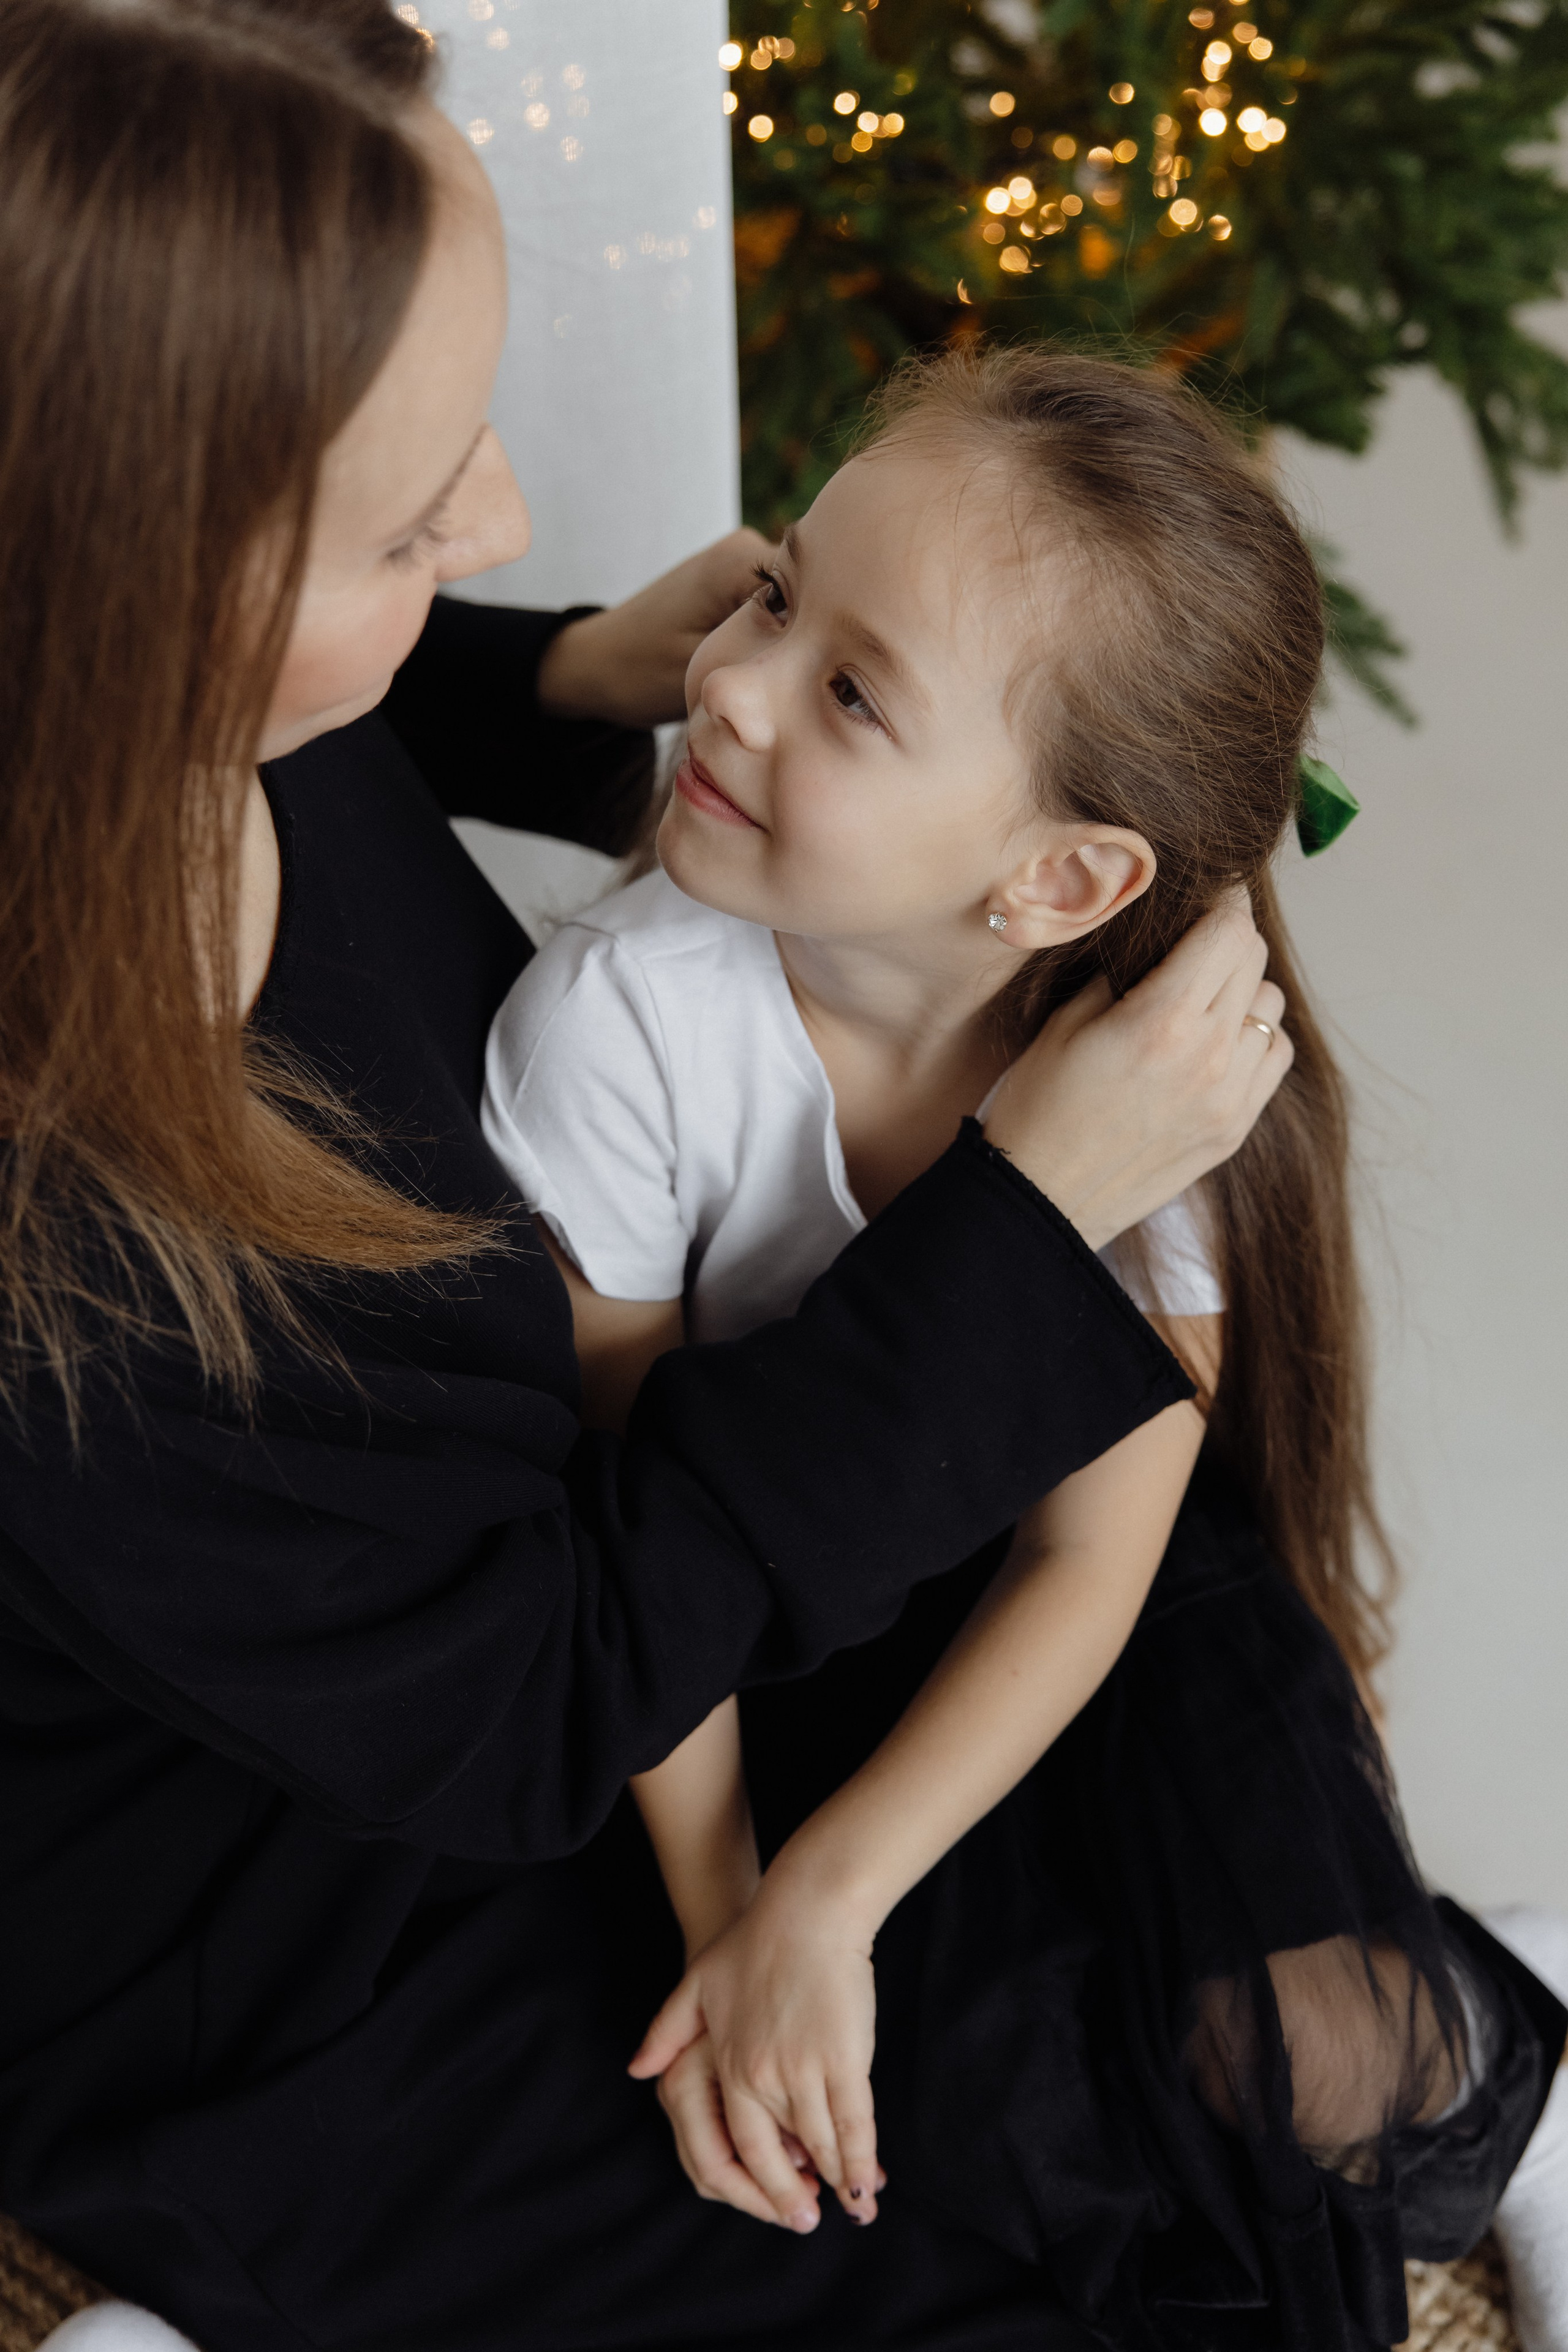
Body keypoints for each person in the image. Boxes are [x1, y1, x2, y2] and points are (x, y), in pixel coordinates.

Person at [0, 8, 1302, 2349]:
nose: (503, 517)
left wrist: (556, 676)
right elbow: (533, 1699)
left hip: (584, 1659)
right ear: (137, 582)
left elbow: (307, 698)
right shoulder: (71, 1252)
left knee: (1142, 2021)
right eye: (412, 517)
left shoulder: (160, 717)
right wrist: (1014, 1231)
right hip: (291, 1931)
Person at [483, 348, 1568, 2349]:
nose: (730, 683)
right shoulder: (622, 1028)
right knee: (846, 2161)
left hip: (1071, 1640)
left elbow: (1092, 1559)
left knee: (1306, 2075)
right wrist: (746, 1915)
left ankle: (1503, 2024)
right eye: (778, 594)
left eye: (853, 692)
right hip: (747, 1642)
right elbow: (639, 1548)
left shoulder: (1152, 1082)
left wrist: (840, 1894)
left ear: (1058, 881)